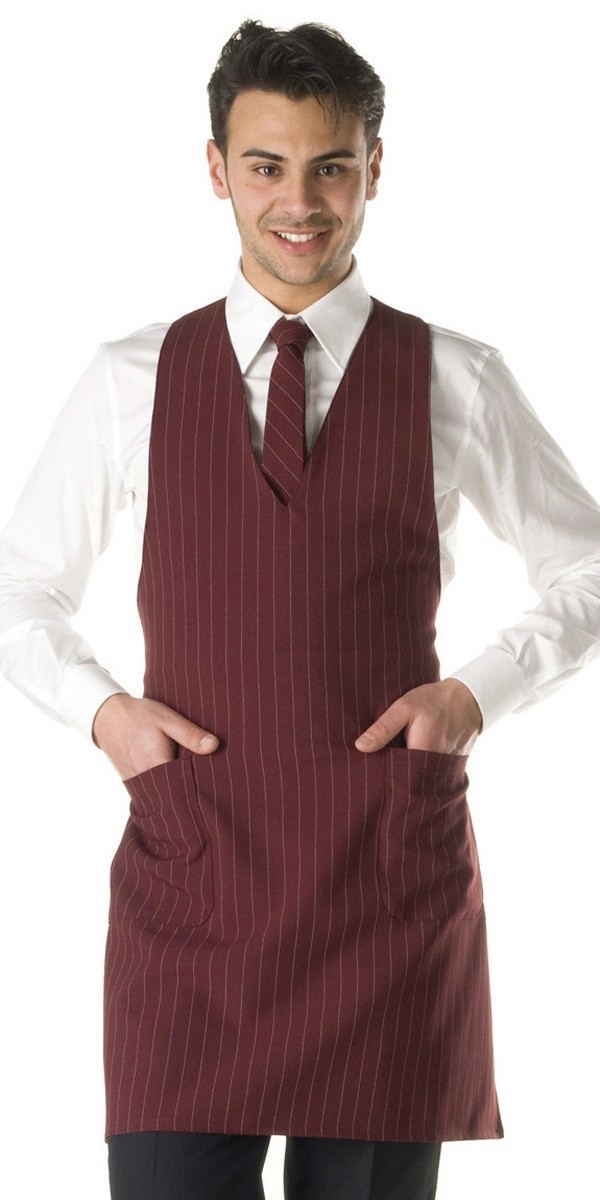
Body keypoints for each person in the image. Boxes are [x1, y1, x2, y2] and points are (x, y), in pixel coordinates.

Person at [1, 18, 599, 1200]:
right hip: (192, 884)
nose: (300, 202)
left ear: (375, 166)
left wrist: (475, 696)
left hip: (385, 889)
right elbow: (21, 587)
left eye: (330, 166)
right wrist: (105, 714)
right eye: (267, 165)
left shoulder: (455, 377)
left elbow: (587, 566)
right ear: (216, 168)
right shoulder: (129, 380)